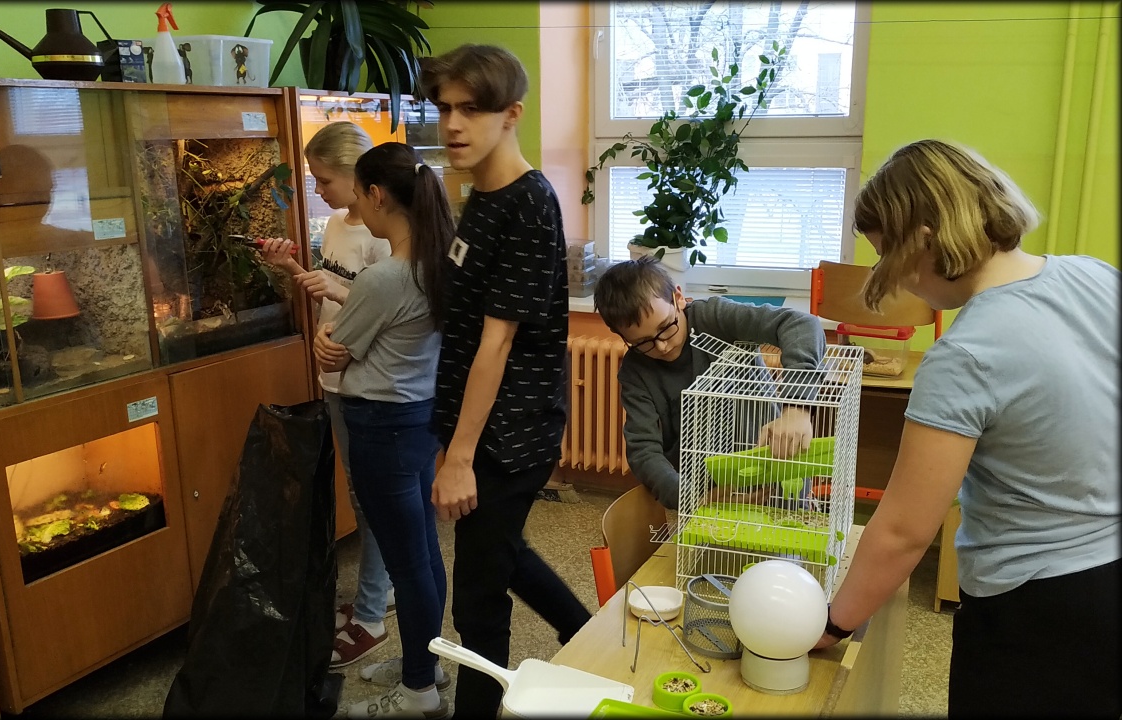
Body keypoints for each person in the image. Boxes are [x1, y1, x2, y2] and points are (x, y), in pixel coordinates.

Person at [809, 139, 1119, 718]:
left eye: (888, 256)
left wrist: (832, 623)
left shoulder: (966, 354)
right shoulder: (1096, 276)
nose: (898, 281)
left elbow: (904, 531)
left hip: (1038, 606)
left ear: (925, 241)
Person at [409, 43, 592, 718]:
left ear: (511, 114)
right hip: (478, 423)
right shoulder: (481, 195)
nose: (453, 124)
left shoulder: (527, 202)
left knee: (479, 600)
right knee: (502, 554)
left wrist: (459, 458)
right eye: (444, 108)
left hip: (510, 433)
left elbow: (497, 343)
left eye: (472, 109)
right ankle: (588, 637)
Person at [315, 142, 454, 718]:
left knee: (407, 562)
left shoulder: (384, 277)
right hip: (420, 418)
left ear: (376, 195)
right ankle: (428, 662)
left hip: (381, 426)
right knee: (423, 550)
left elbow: (337, 352)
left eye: (357, 194)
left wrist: (328, 341)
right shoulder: (439, 263)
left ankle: (419, 690)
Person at [259, 120, 395, 670]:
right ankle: (382, 590)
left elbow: (386, 314)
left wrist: (336, 292)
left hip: (368, 382)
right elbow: (332, 292)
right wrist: (291, 267)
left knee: (372, 500)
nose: (318, 191)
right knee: (361, 495)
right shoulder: (337, 225)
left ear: (359, 176)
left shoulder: (385, 237)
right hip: (335, 378)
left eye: (325, 180)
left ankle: (371, 613)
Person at [592, 255, 826, 510]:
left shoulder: (714, 317)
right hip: (710, 495)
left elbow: (803, 325)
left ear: (678, 298)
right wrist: (694, 498)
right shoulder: (635, 372)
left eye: (666, 327)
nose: (661, 346)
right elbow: (643, 451)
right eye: (642, 343)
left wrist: (797, 408)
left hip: (776, 469)